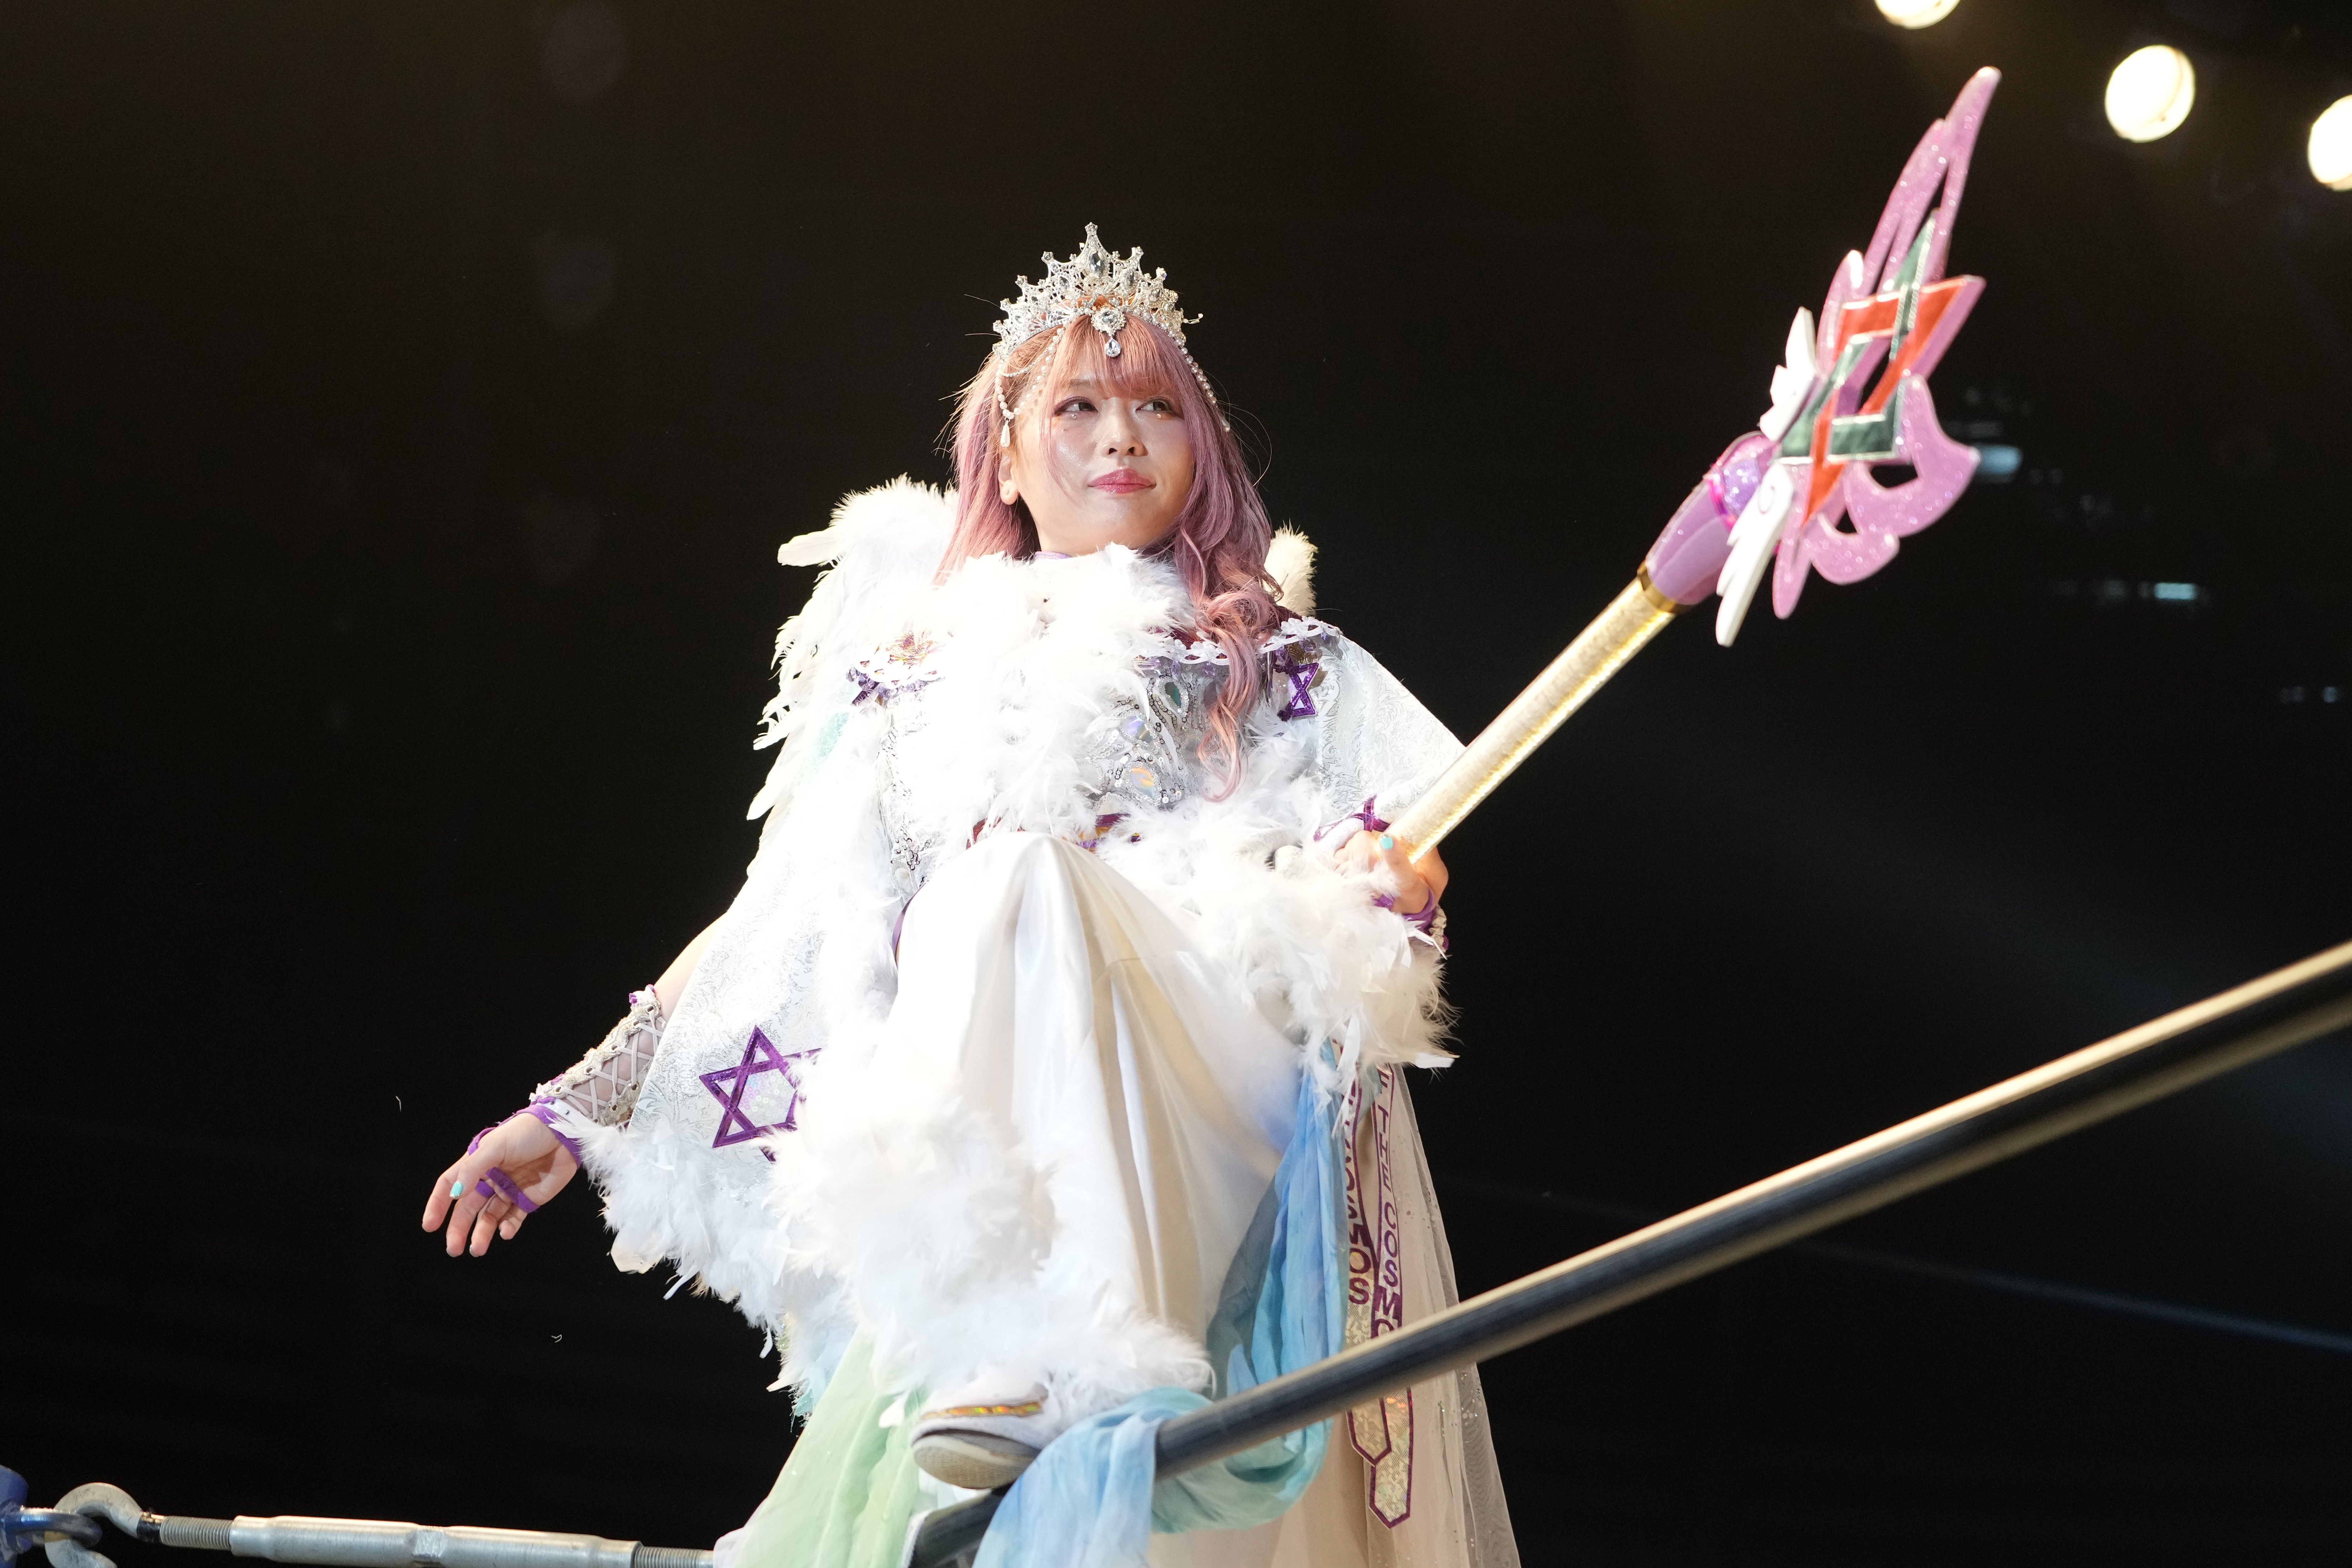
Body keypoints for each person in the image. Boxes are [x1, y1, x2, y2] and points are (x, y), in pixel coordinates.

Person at [420, 226, 1518, 1567]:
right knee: (1004, 884)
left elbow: (1399, 849)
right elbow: (785, 917)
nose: (1121, 435)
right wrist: (579, 1107)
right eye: (1077, 407)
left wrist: (1384, 894)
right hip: (1004, 1146)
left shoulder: (1281, 660)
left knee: (1020, 873)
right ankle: (1020, 1351)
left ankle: (1085, 1354)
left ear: (1203, 446)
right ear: (1002, 454)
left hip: (1211, 1096)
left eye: (1156, 406)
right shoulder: (908, 675)